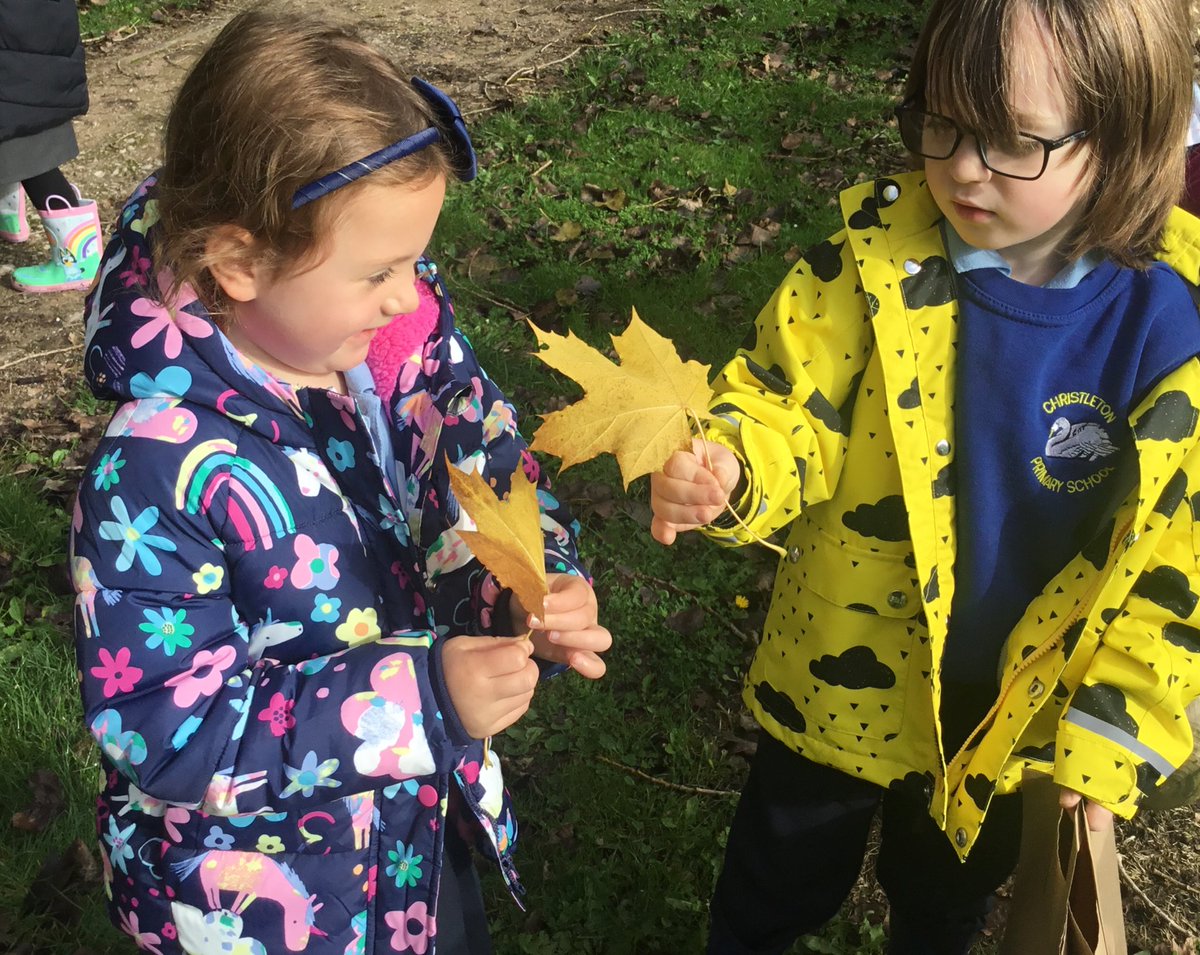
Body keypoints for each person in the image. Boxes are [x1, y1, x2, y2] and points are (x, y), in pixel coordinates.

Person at [650, 0, 1200, 952]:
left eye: (1010, 141)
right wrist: (736, 466)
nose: (960, 167)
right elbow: (786, 399)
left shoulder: (1174, 332)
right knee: (771, 886)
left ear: (1128, 134)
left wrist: (1114, 735)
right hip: (836, 678)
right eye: (940, 123)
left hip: (1002, 723)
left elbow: (1177, 572)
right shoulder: (868, 264)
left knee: (943, 909)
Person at [69, 11, 610, 955]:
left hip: (410, 833)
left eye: (416, 261)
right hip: (273, 897)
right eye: (379, 271)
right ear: (238, 263)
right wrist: (421, 702)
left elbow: (484, 465)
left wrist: (532, 575)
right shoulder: (155, 470)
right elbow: (163, 723)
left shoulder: (395, 346)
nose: (411, 294)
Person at [0, 0, 102, 293]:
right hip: (35, 37)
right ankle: (7, 212)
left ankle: (79, 260)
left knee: (28, 149)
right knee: (18, 134)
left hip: (15, 47)